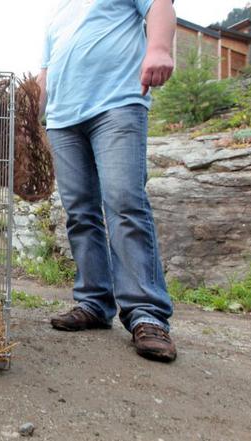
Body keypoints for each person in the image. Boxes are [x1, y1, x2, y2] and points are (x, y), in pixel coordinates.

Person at [39, 0, 177, 362]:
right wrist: (27, 118)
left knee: (124, 204)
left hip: (117, 103)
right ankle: (94, 302)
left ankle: (146, 314)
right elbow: (46, 73)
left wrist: (159, 48)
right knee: (80, 213)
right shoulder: (56, 13)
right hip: (62, 120)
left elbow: (159, 6)